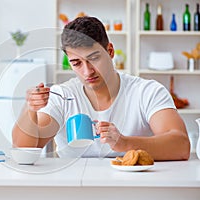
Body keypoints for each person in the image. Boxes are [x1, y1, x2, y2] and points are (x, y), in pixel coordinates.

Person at [12, 16, 190, 160]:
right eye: (76, 63)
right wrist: (30, 110)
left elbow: (181, 146)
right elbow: (24, 149)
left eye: (94, 58)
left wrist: (124, 143)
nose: (87, 71)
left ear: (110, 51)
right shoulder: (62, 95)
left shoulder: (146, 91)